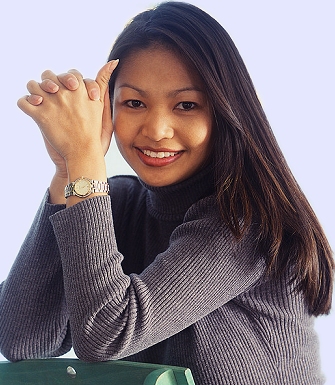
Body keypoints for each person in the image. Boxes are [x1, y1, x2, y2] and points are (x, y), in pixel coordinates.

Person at [0, 2, 333, 384]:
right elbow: (23, 341)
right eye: (135, 103)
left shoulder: (244, 223)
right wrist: (67, 169)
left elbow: (105, 334)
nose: (157, 129)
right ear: (110, 109)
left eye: (186, 105)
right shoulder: (116, 205)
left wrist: (85, 159)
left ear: (224, 111)